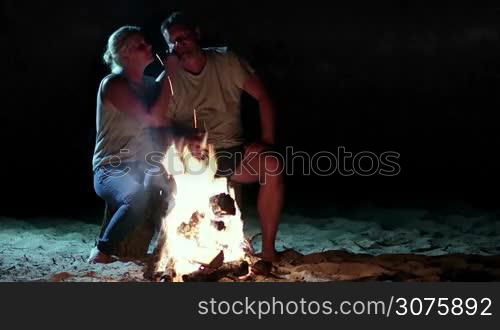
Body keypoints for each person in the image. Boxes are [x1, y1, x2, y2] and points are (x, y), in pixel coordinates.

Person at [158, 12, 284, 262]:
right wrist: (182, 142)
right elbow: (159, 125)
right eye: (172, 42)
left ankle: (268, 250)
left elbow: (263, 97)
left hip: (232, 149)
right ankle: (177, 250)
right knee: (164, 169)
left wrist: (266, 141)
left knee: (272, 165)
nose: (178, 45)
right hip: (193, 157)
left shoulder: (226, 62)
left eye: (183, 37)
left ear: (197, 34)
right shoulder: (168, 79)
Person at [88, 26, 173, 263]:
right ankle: (102, 250)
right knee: (136, 196)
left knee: (177, 187)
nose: (149, 47)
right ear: (124, 55)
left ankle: (172, 249)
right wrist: (170, 74)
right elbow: (153, 118)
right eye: (140, 45)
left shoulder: (148, 84)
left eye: (146, 42)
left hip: (143, 164)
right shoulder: (113, 84)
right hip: (111, 167)